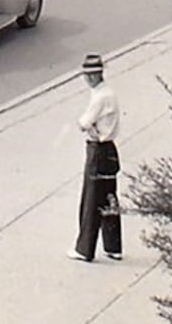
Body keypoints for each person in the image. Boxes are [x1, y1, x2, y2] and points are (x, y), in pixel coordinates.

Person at [69, 53, 122, 263]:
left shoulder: (99, 97)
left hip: (97, 150)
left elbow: (84, 122)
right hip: (110, 150)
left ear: (91, 76)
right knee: (110, 198)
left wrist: (86, 125)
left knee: (91, 200)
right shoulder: (110, 93)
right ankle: (113, 246)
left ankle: (84, 249)